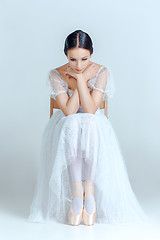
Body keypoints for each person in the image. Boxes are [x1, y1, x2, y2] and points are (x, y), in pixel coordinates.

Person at [28, 29, 148, 226]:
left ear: (91, 54)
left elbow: (91, 109)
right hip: (65, 125)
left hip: (94, 126)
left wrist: (79, 78)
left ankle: (89, 192)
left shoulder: (101, 72)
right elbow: (68, 111)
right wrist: (80, 81)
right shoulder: (56, 74)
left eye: (84, 59)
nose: (78, 65)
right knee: (74, 123)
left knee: (89, 122)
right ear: (66, 55)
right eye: (72, 59)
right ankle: (77, 193)